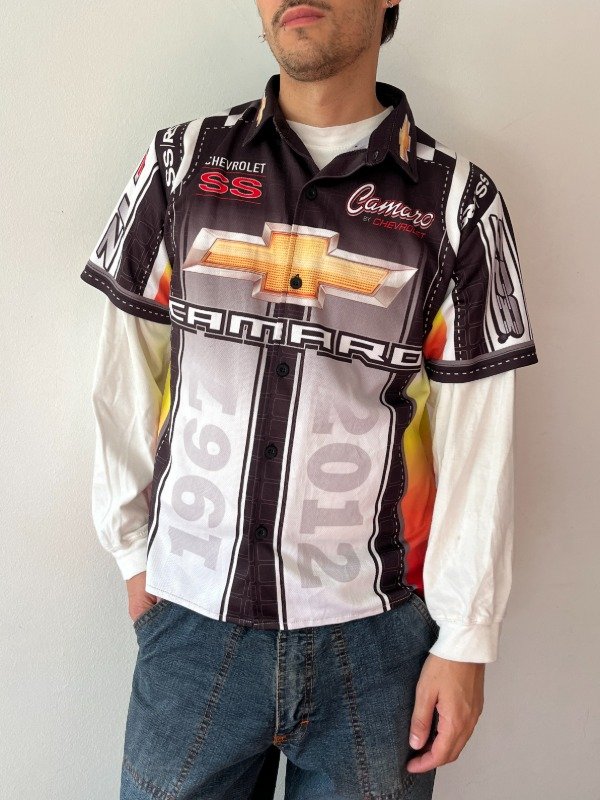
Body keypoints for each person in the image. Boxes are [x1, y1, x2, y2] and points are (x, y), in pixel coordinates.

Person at [80, 2, 538, 798]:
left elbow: (479, 444)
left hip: (379, 643)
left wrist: (466, 638)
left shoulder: (459, 204)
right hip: (189, 622)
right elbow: (122, 377)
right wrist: (132, 554)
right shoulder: (180, 164)